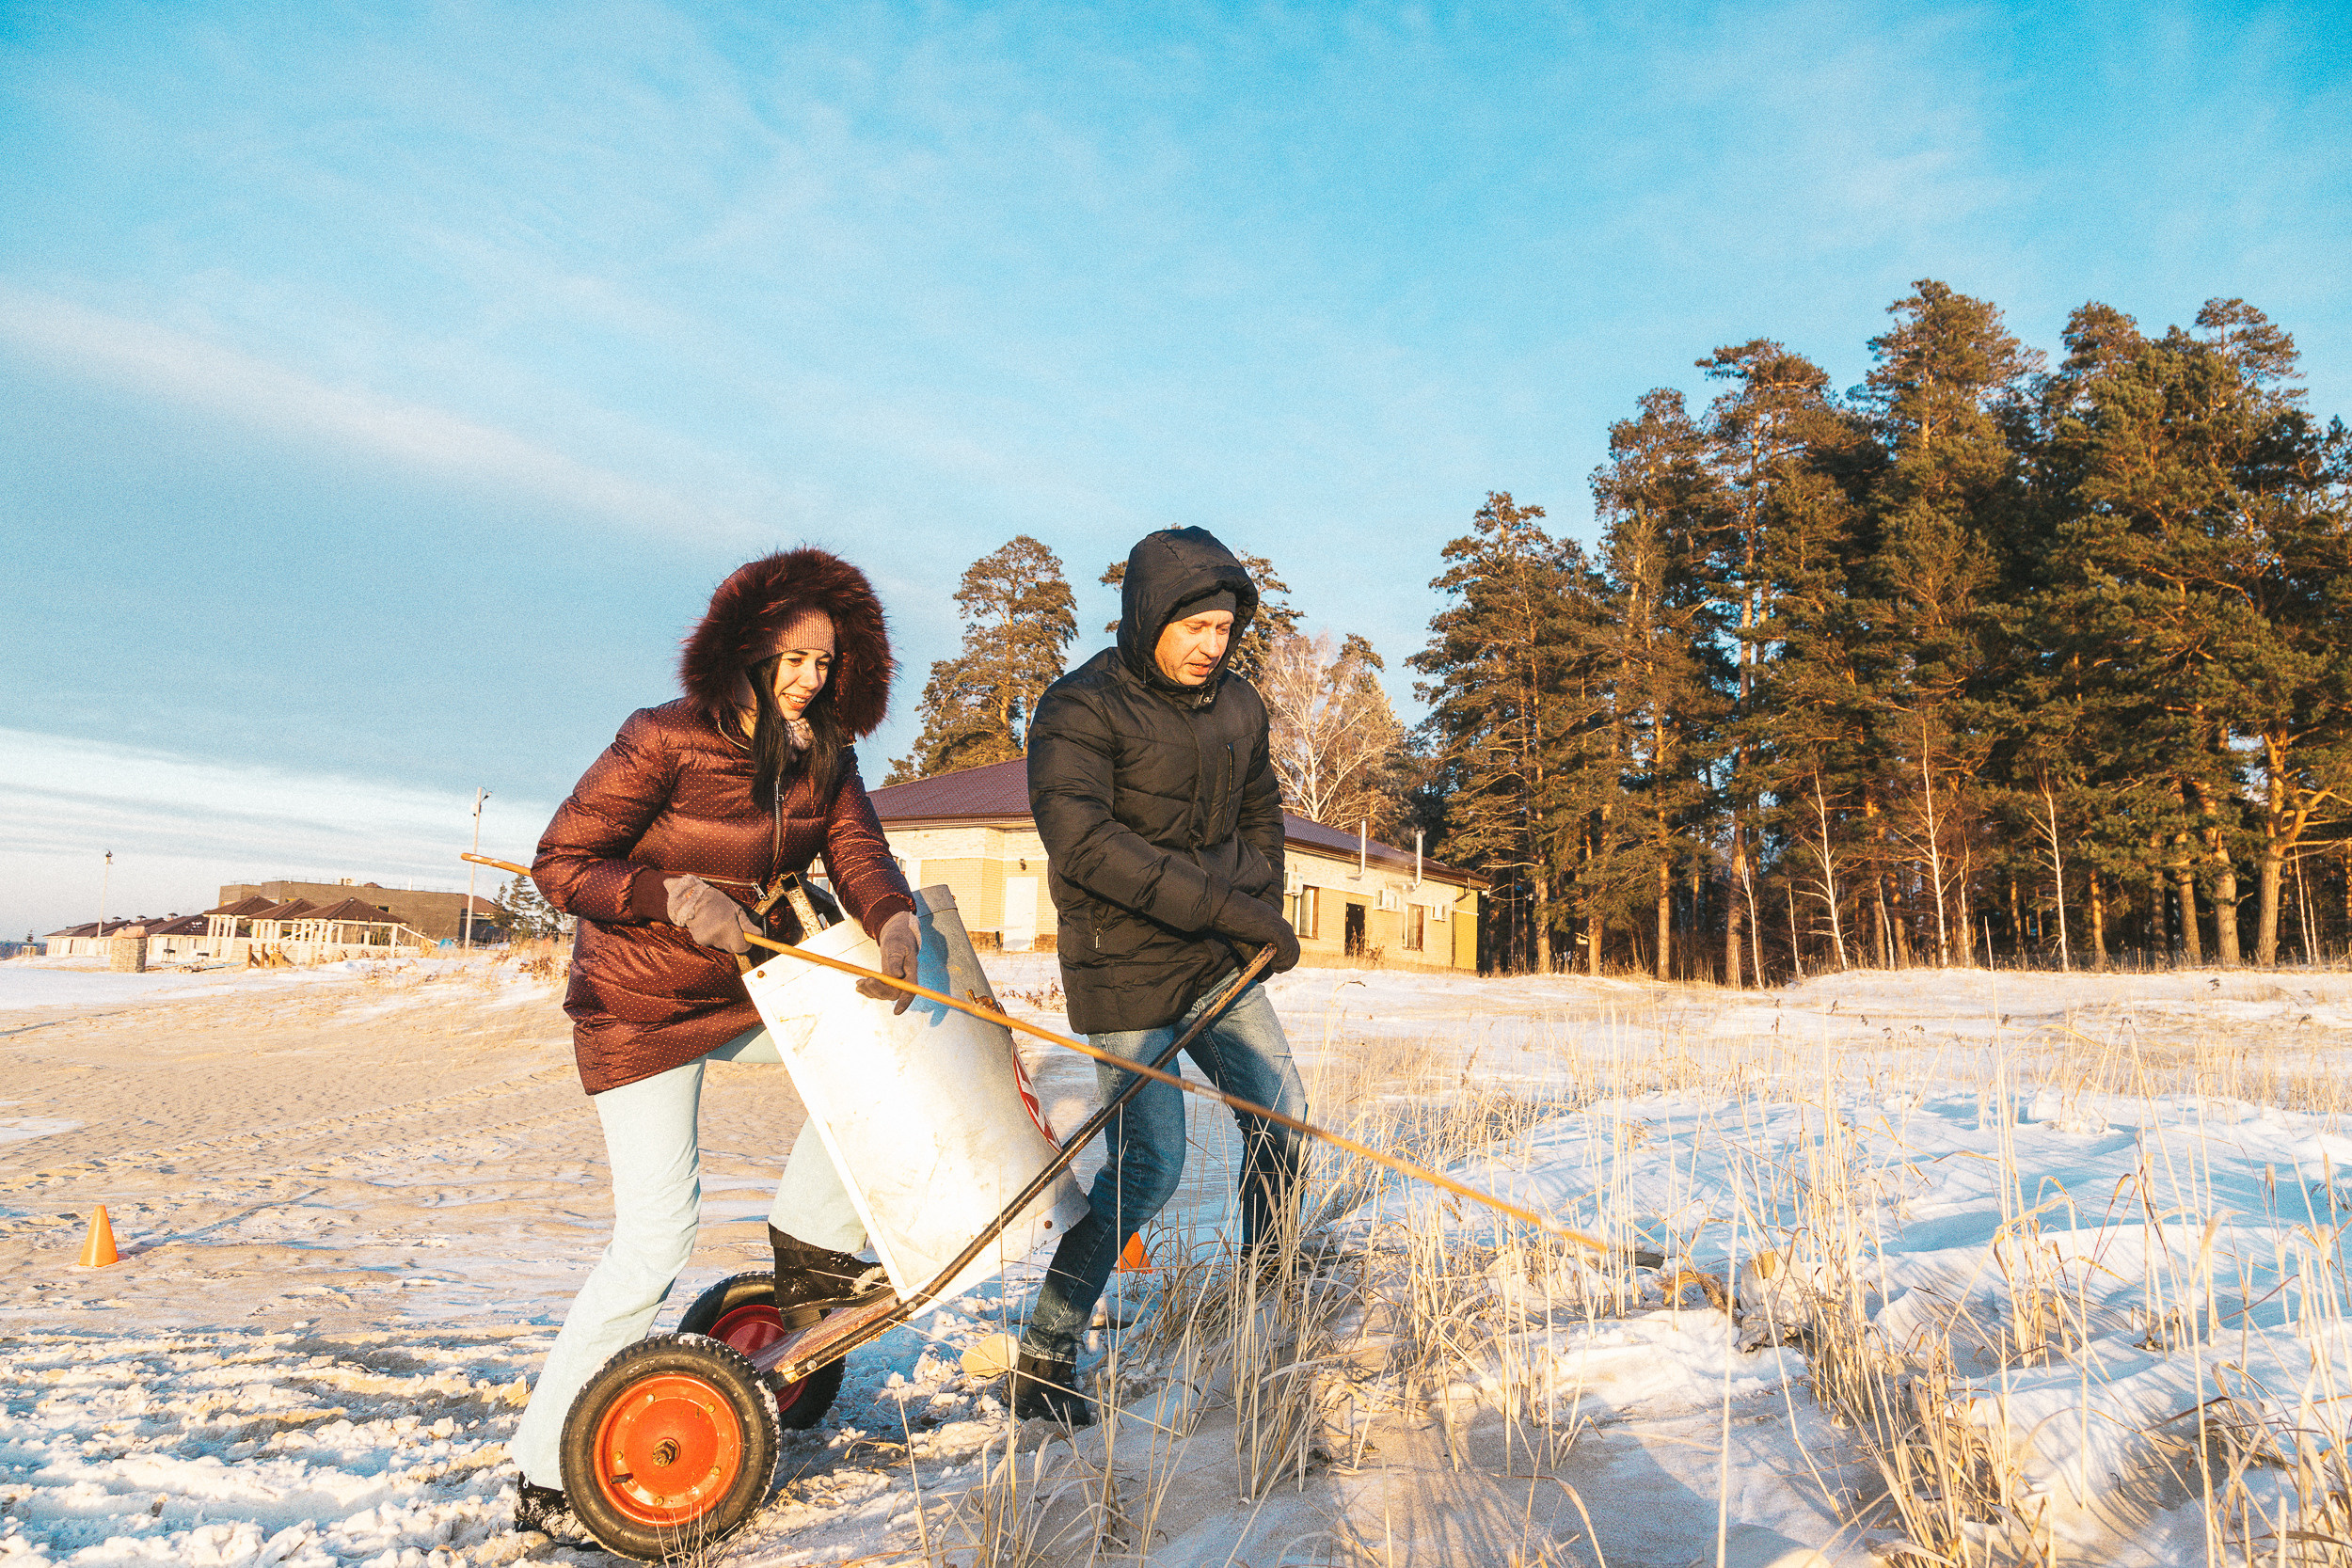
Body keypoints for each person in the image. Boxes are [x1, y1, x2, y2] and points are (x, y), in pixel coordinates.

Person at [508, 547, 921, 1531]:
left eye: (826, 662)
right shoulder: (662, 739)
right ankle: (540, 1463)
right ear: (746, 651)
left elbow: (857, 847)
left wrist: (894, 918)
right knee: (654, 1238)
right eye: (792, 658)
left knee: (869, 1050)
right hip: (637, 1009)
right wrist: (665, 894)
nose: (809, 679)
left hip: (737, 995)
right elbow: (560, 860)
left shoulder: (824, 751)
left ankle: (814, 1251)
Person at [1012, 526, 1305, 1424]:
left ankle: (1270, 1291)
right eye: (1195, 627)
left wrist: (1263, 893)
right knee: (1153, 1164)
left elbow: (1262, 811)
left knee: (1278, 1108)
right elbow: (1087, 846)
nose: (1212, 646)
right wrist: (1235, 907)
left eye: (1224, 628)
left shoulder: (1238, 704)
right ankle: (1047, 1349)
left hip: (1215, 952)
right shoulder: (1078, 709)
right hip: (1126, 963)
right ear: (1148, 617)